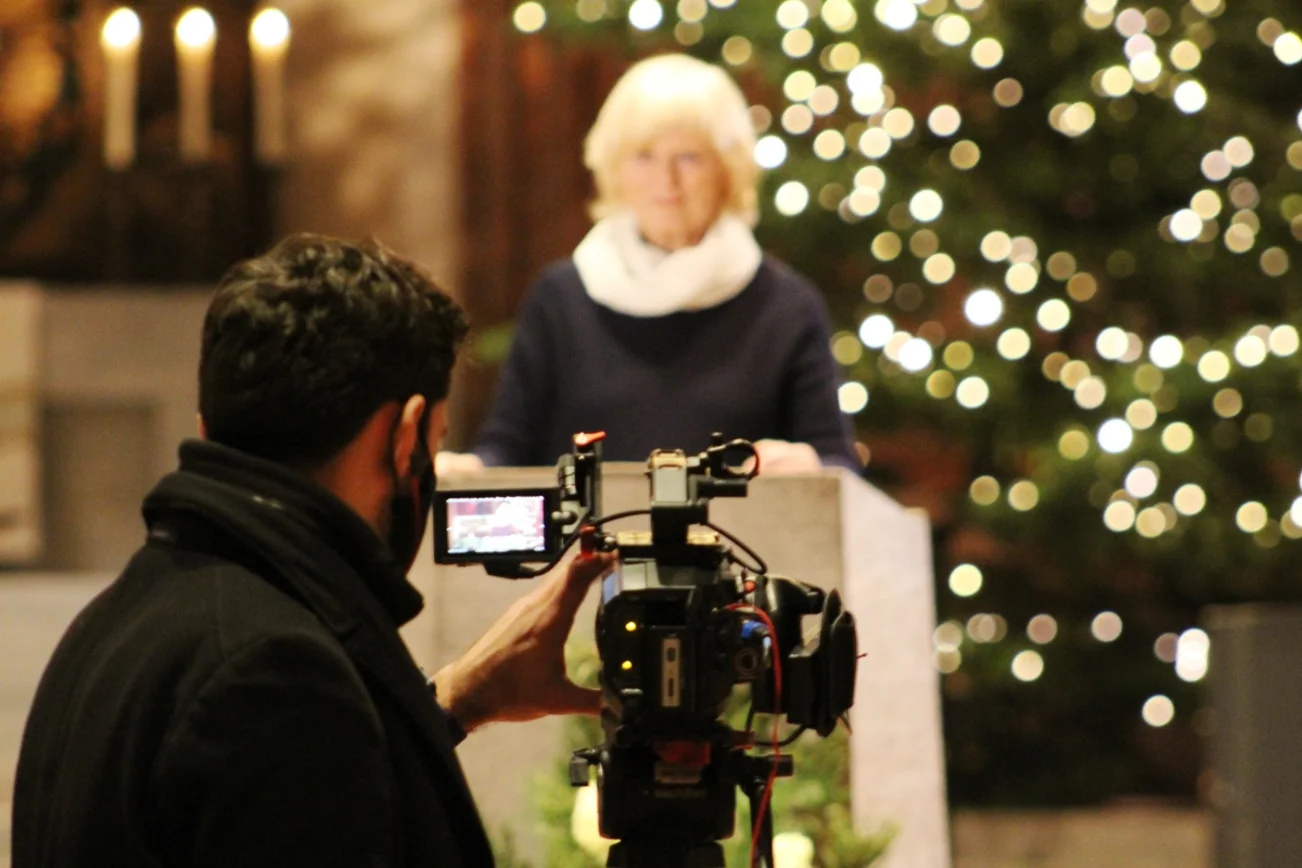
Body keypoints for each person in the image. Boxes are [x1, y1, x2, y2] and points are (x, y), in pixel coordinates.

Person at [11, 234, 615, 868]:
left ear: (209, 427)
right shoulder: (273, 666)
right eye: (434, 445)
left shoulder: (123, 615)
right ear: (404, 436)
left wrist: (453, 705)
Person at [438, 53, 861, 476]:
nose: (666, 180)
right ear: (614, 168)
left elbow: (835, 462)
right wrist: (470, 470)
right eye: (643, 155)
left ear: (728, 171)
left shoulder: (786, 307)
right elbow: (507, 450)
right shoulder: (560, 298)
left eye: (689, 157)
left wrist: (812, 464)